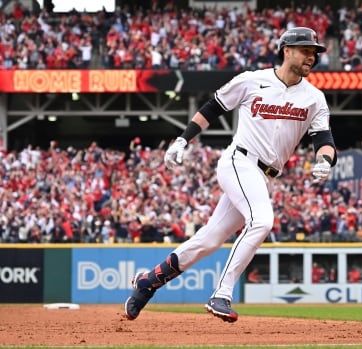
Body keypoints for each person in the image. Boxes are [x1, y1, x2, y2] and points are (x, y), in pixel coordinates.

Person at [123, 27, 337, 323]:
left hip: (266, 178)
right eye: (305, 50)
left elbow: (324, 140)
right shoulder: (252, 80)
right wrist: (183, 139)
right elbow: (213, 108)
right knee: (261, 221)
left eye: (314, 52)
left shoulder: (314, 97)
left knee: (209, 240)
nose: (311, 56)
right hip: (239, 161)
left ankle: (148, 283)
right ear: (286, 50)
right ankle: (221, 293)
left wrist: (325, 161)